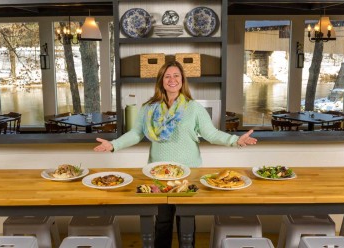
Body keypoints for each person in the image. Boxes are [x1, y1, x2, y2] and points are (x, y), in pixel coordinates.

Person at [94, 61, 257, 247]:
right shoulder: (149, 108)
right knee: (162, 222)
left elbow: (211, 134)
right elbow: (136, 133)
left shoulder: (194, 108)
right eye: (167, 76)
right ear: (161, 81)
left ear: (182, 80)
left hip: (188, 174)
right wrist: (113, 145)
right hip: (158, 174)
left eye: (176, 76)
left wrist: (236, 140)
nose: (172, 80)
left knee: (185, 221)